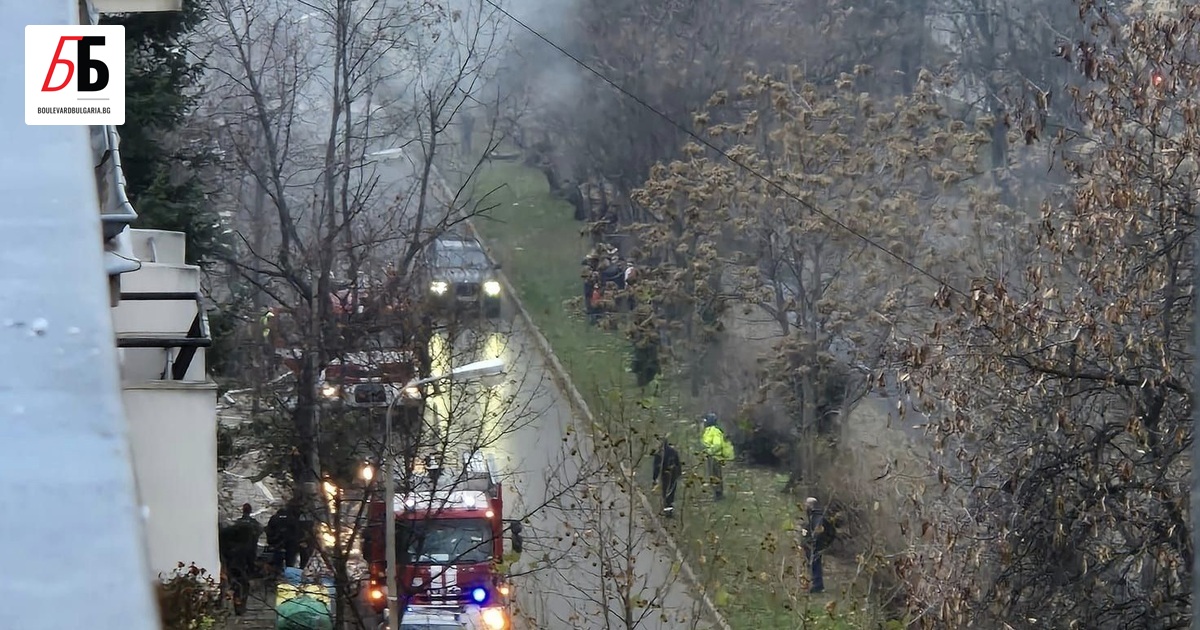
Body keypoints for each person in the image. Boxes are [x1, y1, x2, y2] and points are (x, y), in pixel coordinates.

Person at [221, 503, 264, 615]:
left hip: (233, 560)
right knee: (243, 584)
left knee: (236, 583)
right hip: (245, 560)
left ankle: (238, 605)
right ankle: (240, 606)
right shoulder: (254, 526)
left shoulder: (236, 525)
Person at [802, 497, 835, 593]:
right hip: (816, 545)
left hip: (815, 546)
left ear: (810, 506)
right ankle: (816, 584)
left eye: (806, 505)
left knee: (815, 564)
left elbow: (818, 531)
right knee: (814, 564)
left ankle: (818, 585)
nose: (805, 507)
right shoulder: (816, 515)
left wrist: (812, 543)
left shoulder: (817, 517)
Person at [700, 412, 734, 500]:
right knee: (712, 475)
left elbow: (717, 444)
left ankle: (719, 494)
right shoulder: (708, 430)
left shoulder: (715, 431)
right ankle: (716, 493)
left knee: (716, 475)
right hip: (711, 456)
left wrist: (709, 451)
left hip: (715, 457)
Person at [266, 499, 303, 569]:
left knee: (276, 566)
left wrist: (271, 542)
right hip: (290, 546)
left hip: (277, 545)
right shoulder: (292, 518)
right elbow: (297, 532)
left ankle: (276, 575)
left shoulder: (274, 518)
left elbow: (269, 531)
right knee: (290, 565)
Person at [651, 438, 683, 517]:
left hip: (665, 475)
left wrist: (654, 478)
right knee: (671, 493)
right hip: (673, 475)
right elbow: (678, 464)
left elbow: (656, 467)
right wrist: (679, 474)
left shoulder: (659, 454)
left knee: (665, 493)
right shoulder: (673, 451)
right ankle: (669, 512)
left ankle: (666, 510)